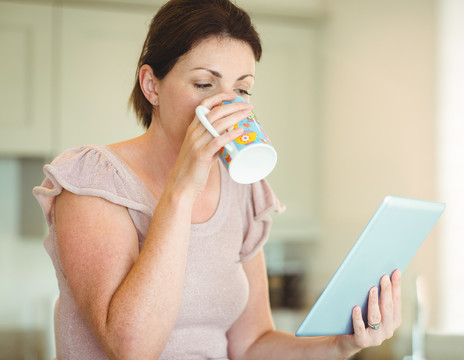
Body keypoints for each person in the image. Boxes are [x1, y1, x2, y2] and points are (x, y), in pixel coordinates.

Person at [33, 0, 402, 359]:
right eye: (204, 84)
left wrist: (340, 345)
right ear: (151, 86)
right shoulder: (95, 181)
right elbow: (132, 349)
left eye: (240, 89)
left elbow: (252, 344)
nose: (225, 105)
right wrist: (182, 189)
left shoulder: (242, 188)